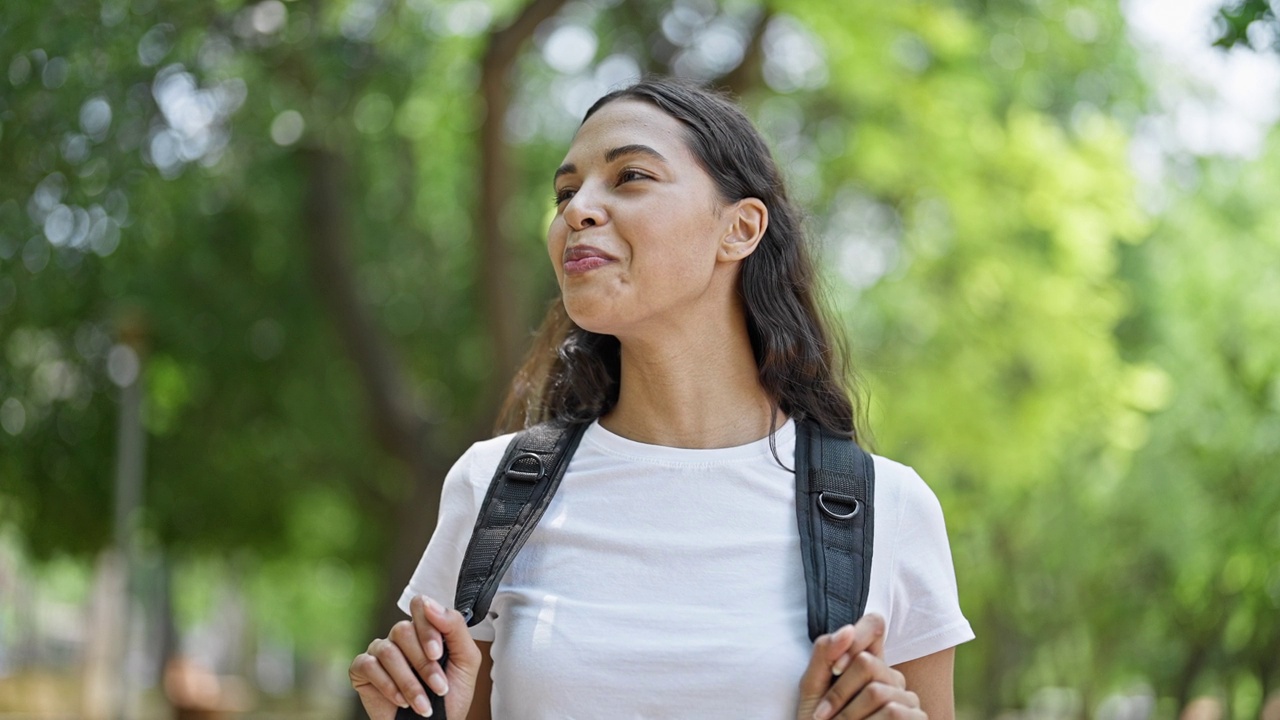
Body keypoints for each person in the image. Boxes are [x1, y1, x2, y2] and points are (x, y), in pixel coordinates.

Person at [349, 77, 974, 720]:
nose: (576, 210)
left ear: (740, 227)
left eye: (630, 178)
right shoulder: (492, 490)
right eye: (566, 192)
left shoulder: (887, 509)